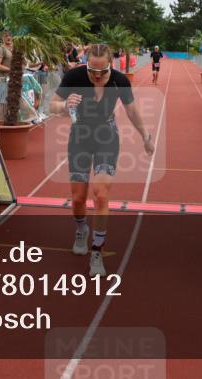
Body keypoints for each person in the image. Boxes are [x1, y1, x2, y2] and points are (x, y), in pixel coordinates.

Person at [50, 44, 155, 277]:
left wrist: (146, 137)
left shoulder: (119, 81)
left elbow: (132, 111)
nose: (97, 76)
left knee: (101, 193)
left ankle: (97, 252)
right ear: (86, 63)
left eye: (102, 71)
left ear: (111, 64)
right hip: (80, 137)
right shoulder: (74, 76)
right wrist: (66, 105)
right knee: (78, 197)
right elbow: (52, 105)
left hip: (107, 137)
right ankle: (81, 229)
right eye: (92, 70)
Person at [0, 31, 13, 122]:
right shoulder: (1, 49)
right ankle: (0, 123)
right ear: (3, 38)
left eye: (10, 35)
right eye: (6, 36)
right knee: (2, 102)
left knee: (11, 102)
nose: (8, 37)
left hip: (14, 80)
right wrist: (12, 70)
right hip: (3, 80)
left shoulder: (14, 49)